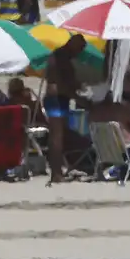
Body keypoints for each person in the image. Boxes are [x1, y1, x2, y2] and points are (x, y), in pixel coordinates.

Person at [44, 34, 84, 184]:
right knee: (57, 138)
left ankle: (59, 170)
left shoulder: (61, 56)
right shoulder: (60, 57)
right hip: (56, 100)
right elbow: (61, 84)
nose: (79, 53)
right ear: (73, 44)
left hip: (59, 99)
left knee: (60, 137)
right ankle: (56, 173)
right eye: (80, 49)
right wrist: (79, 97)